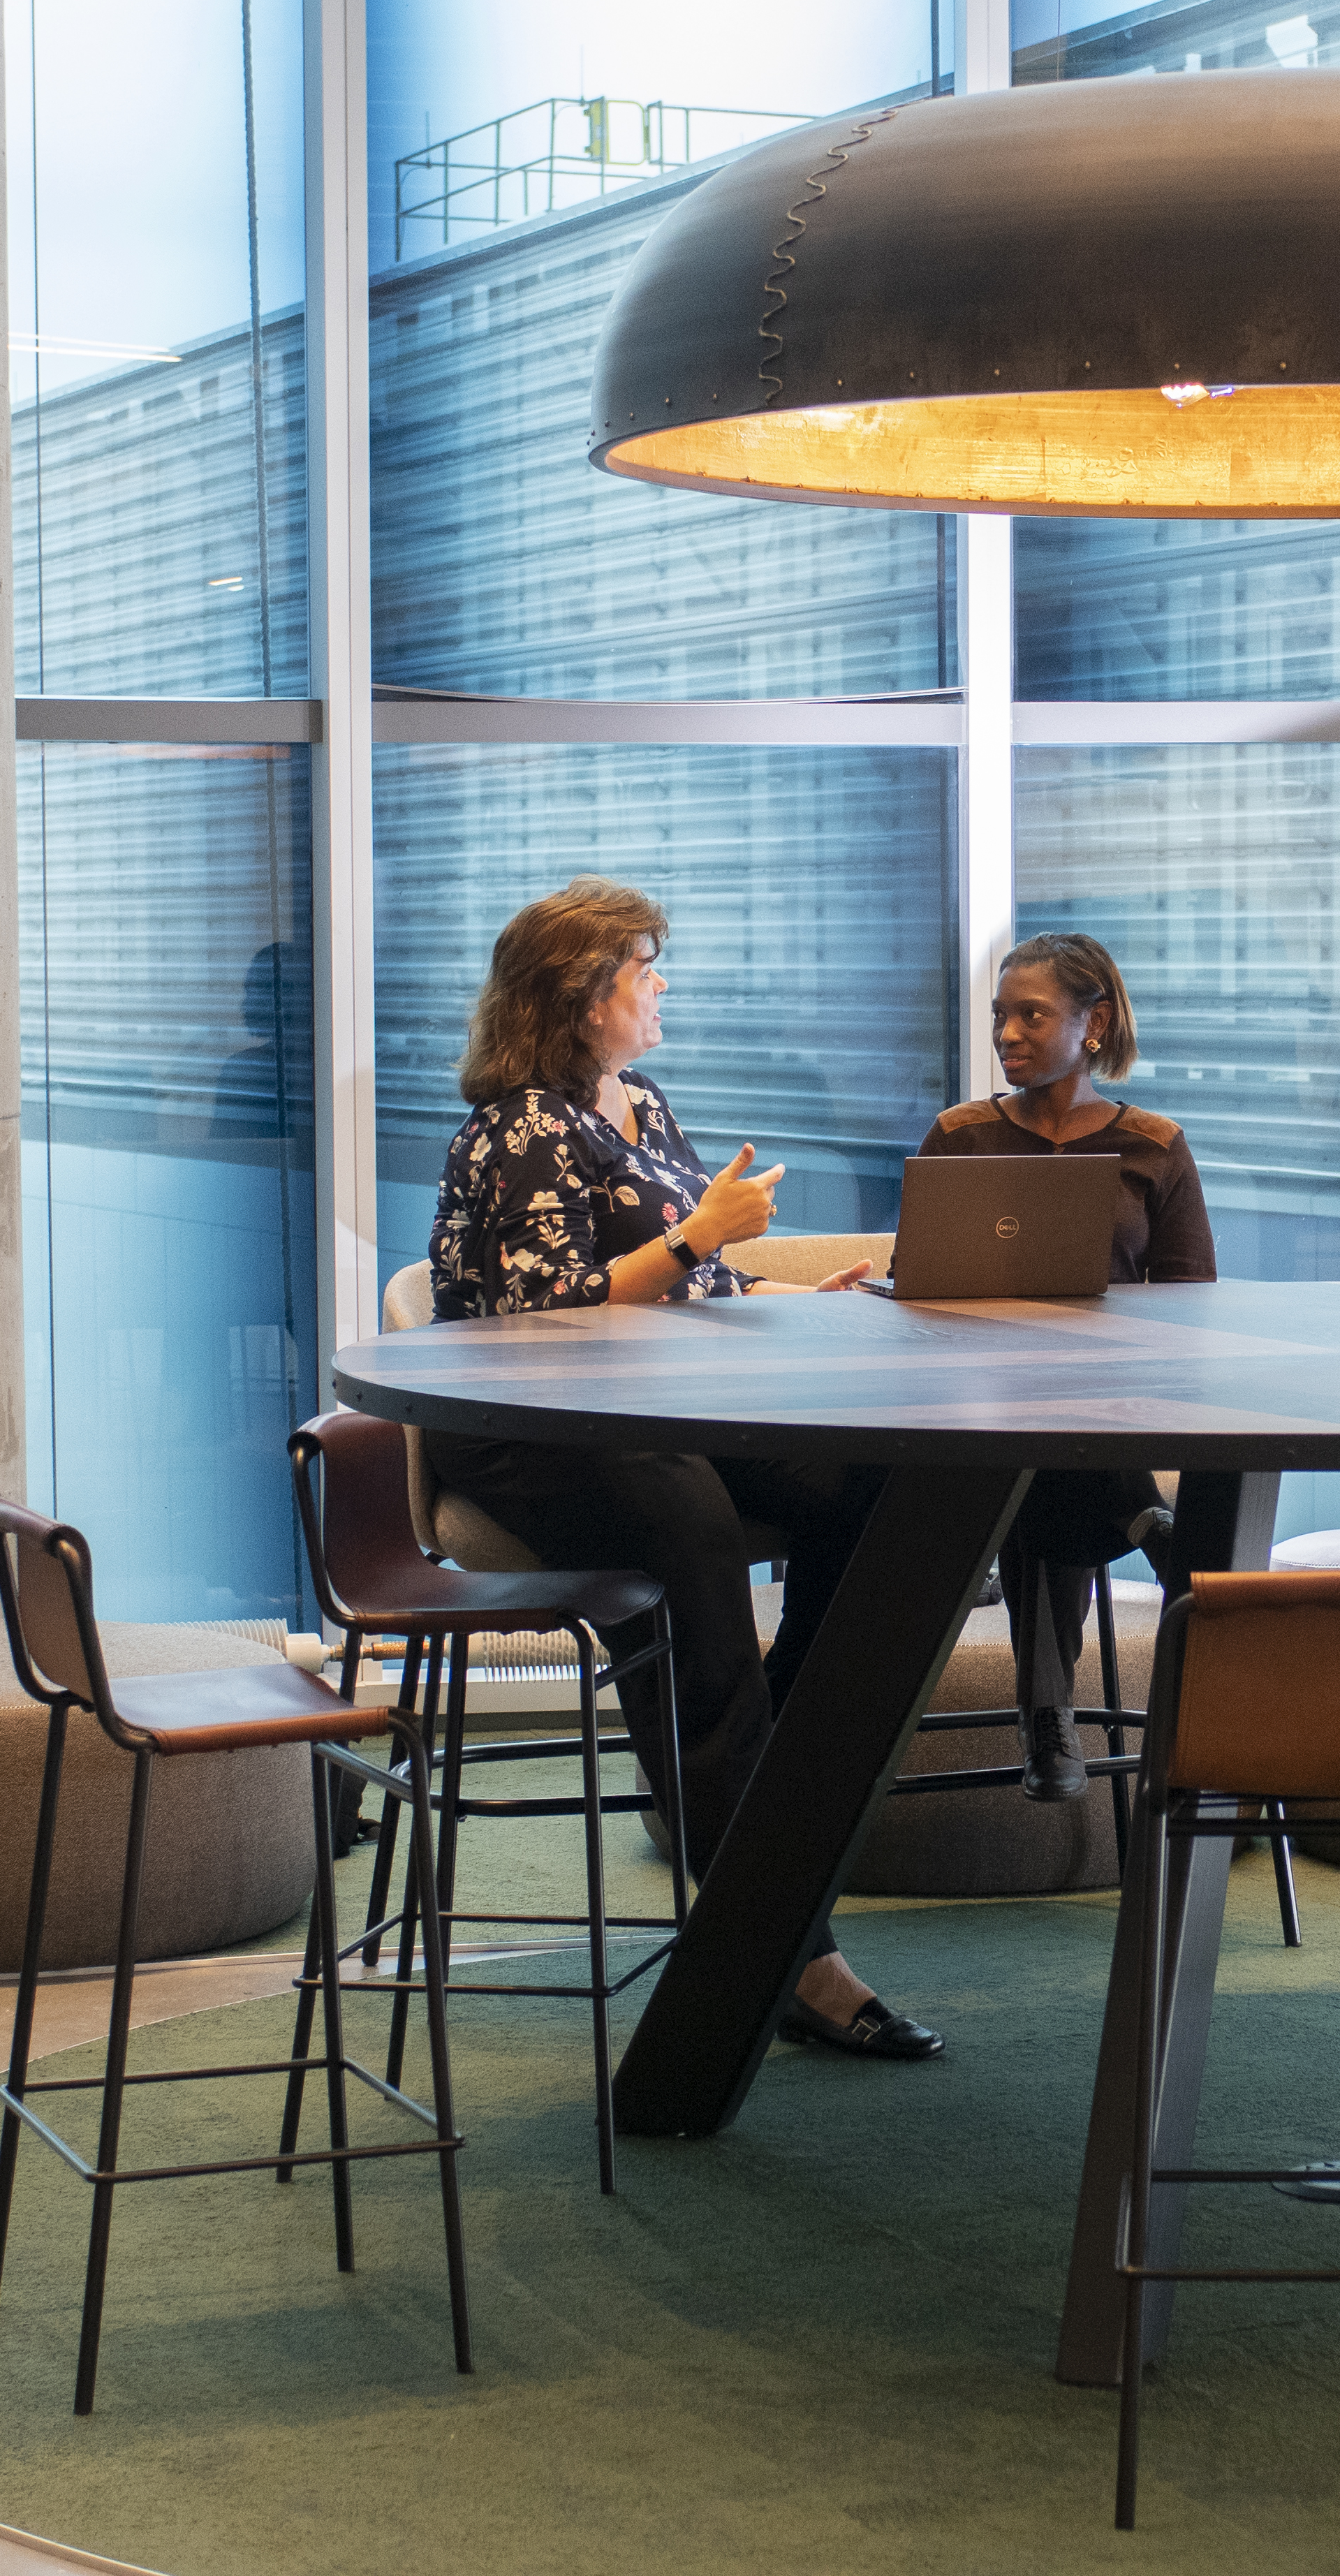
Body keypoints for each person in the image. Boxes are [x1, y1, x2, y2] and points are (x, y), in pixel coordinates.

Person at [425, 878, 941, 2061]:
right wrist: (703, 1236)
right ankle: (787, 1948)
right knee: (697, 1550)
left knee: (858, 1490)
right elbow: (530, 1320)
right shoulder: (515, 1130)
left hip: (654, 1405)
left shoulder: (640, 1103)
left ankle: (789, 1756)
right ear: (577, 997)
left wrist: (779, 1292)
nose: (658, 987)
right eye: (640, 971)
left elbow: (686, 1276)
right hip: (532, 1424)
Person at [916, 932, 1216, 1800]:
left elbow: (1194, 1304)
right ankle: (1141, 1524)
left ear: (1095, 1024)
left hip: (1106, 1402)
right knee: (1028, 1429)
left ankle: (1051, 1725)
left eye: (1031, 1015)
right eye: (1000, 1016)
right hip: (977, 1403)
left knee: (1046, 1443)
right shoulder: (960, 1137)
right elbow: (920, 1293)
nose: (1007, 1033)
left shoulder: (1154, 1145)